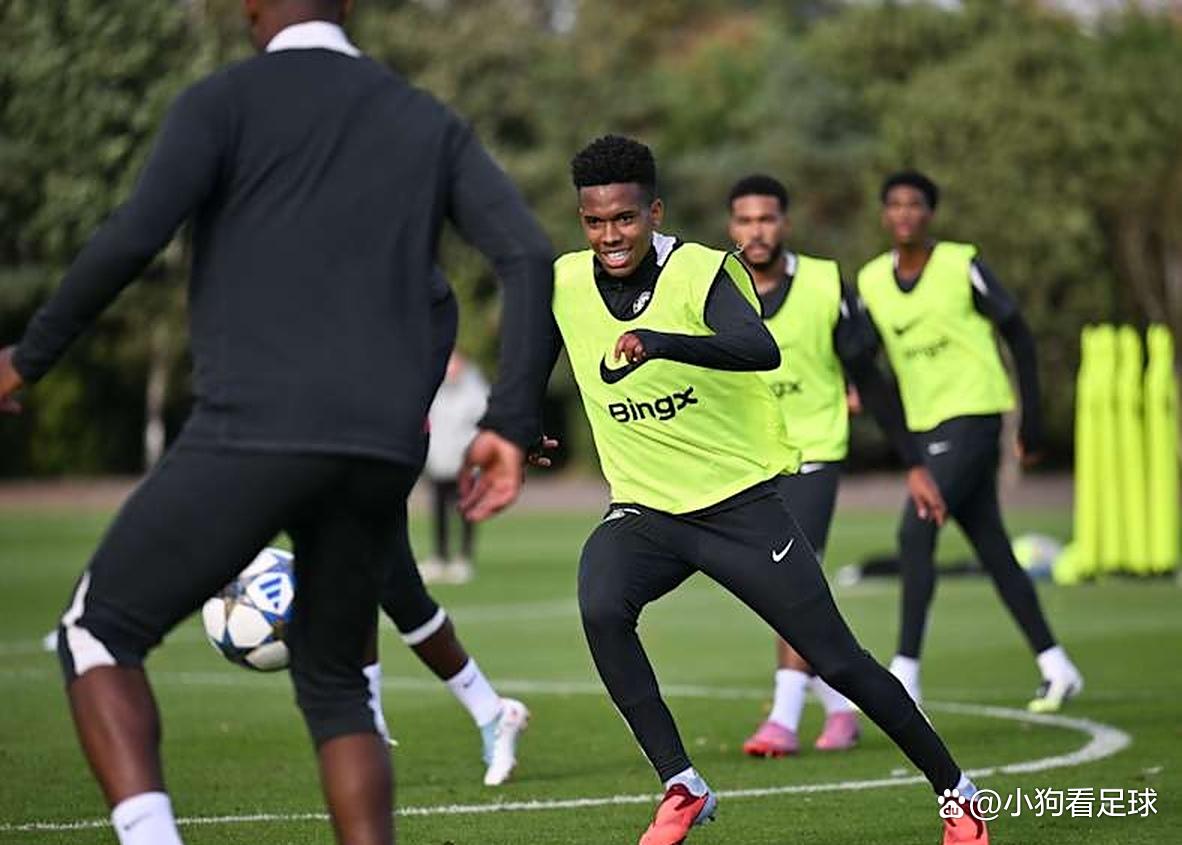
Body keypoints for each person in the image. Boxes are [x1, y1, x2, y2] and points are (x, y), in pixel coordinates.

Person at [0, 2, 553, 844]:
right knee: (337, 688)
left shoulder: (222, 101)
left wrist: (27, 357)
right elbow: (528, 254)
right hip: (377, 450)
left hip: (255, 427)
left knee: (97, 633)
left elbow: (133, 237)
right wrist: (508, 420)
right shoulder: (424, 118)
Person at [549, 135, 989, 845]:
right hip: (646, 509)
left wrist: (662, 341)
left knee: (838, 660)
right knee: (601, 605)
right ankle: (682, 785)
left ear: (654, 213)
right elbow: (539, 355)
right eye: (595, 222)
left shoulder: (702, 270)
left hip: (739, 507)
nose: (610, 235)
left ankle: (958, 795)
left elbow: (759, 347)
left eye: (625, 218)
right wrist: (522, 428)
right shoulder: (567, 280)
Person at [726, 174, 946, 758]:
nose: (756, 230)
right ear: (731, 226)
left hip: (814, 453)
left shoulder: (825, 284)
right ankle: (841, 705)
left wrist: (912, 462)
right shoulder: (717, 288)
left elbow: (869, 376)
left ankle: (783, 718)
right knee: (777, 586)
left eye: (766, 218)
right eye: (745, 220)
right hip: (748, 459)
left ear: (785, 223)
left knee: (789, 579)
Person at [857, 169, 1083, 713]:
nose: (905, 213)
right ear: (884, 215)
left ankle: (904, 673)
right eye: (895, 204)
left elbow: (1019, 333)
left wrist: (1031, 420)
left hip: (975, 416)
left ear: (930, 213)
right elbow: (863, 353)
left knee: (916, 530)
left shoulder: (962, 263)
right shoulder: (870, 280)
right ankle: (1057, 666)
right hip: (924, 427)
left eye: (915, 204)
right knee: (994, 549)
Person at [365, 283, 528, 788]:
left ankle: (365, 727)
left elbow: (439, 302)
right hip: (348, 434)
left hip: (382, 437)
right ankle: (491, 711)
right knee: (396, 589)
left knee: (351, 567)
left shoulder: (406, 279)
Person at [421, 352, 490, 584]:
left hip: (465, 463)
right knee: (439, 512)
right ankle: (440, 556)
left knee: (467, 510)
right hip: (440, 461)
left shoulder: (474, 389)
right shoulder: (435, 389)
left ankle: (464, 558)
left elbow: (482, 420)